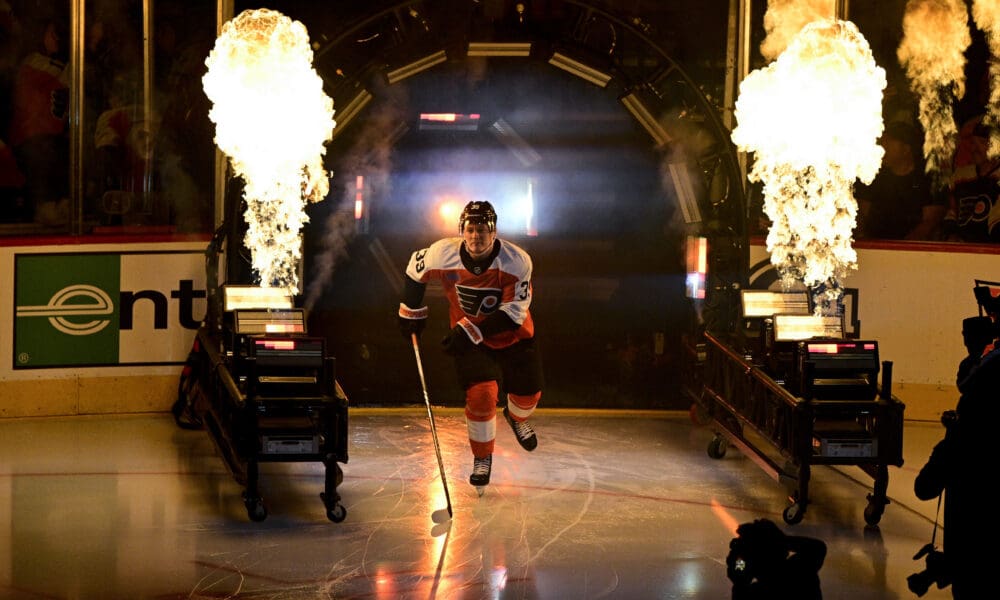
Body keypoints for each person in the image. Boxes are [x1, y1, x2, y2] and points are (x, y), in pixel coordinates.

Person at [398, 200, 543, 489]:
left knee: (528, 395)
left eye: (482, 230)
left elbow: (513, 315)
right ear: (461, 231)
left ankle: (516, 417)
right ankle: (483, 457)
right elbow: (415, 269)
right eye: (471, 229)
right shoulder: (443, 252)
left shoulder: (517, 261)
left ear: (494, 232)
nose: (476, 236)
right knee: (482, 396)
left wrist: (469, 330)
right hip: (471, 342)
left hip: (513, 336)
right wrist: (410, 312)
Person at [7, 13, 70, 226]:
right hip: (33, 141)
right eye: (53, 33)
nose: (57, 39)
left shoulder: (48, 64)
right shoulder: (33, 63)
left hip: (47, 141)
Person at [854, 120, 946, 241]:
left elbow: (929, 223)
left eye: (888, 141)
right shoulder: (871, 176)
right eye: (881, 141)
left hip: (915, 253)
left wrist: (900, 252)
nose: (882, 146)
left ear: (906, 148)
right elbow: (860, 217)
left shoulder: (930, 179)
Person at [725, 517, 826, 599]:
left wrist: (738, 558)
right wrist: (779, 540)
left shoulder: (756, 593)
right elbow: (817, 548)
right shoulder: (800, 571)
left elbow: (740, 579)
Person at [942, 114, 1000, 243]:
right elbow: (951, 213)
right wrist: (952, 235)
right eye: (973, 143)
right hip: (961, 249)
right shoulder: (960, 175)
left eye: (982, 143)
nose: (974, 149)